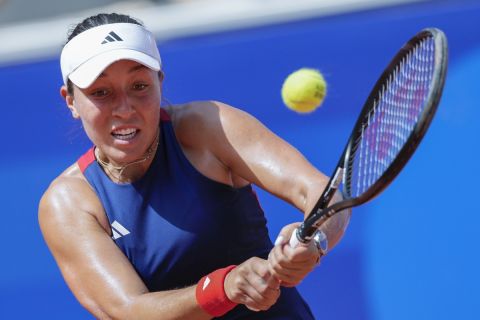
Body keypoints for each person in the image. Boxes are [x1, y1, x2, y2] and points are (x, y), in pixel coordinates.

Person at [38, 13, 350, 319]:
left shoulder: (207, 127)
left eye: (139, 86)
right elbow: (128, 310)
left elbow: (321, 192)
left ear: (160, 81)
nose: (124, 108)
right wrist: (224, 288)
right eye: (101, 93)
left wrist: (316, 241)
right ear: (70, 100)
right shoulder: (69, 203)